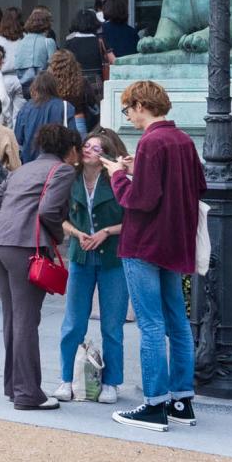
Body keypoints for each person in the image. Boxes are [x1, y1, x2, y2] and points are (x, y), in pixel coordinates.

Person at [106, 80, 204, 431]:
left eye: (128, 109)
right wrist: (136, 170)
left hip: (144, 242)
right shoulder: (182, 139)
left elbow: (141, 200)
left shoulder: (151, 141)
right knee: (177, 324)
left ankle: (154, 404)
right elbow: (197, 185)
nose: (128, 116)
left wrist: (118, 176)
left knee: (151, 325)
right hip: (175, 241)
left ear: (140, 106)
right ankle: (181, 400)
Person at [0, 122, 81, 411]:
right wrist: (56, 235)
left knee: (12, 317)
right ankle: (27, 392)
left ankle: (15, 385)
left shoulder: (21, 169)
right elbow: (49, 210)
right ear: (70, 149)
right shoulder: (62, 170)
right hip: (26, 246)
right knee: (26, 320)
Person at [57, 126, 127, 405]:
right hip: (80, 254)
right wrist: (76, 233)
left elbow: (133, 220)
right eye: (87, 146)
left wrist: (107, 231)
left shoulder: (116, 180)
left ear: (106, 155)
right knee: (73, 322)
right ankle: (66, 379)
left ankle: (111, 382)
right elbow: (57, 216)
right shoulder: (69, 178)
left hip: (113, 256)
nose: (88, 150)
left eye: (96, 148)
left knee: (112, 324)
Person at [14, 70, 73, 162]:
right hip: (57, 163)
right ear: (54, 87)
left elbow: (18, 138)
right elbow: (73, 137)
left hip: (30, 164)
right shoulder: (65, 107)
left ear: (35, 87)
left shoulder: (25, 109)